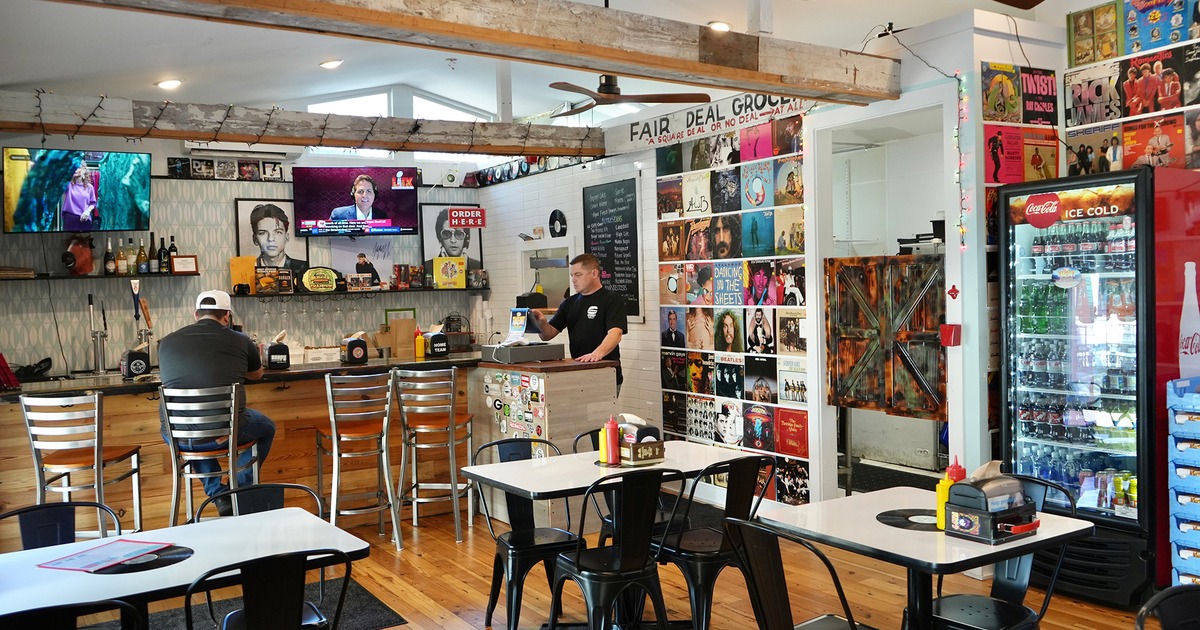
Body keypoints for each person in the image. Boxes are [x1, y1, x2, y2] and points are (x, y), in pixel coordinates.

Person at [158, 290, 276, 516]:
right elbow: (256, 374)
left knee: (194, 430)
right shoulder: (240, 340)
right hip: (226, 431)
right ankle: (237, 491)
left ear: (195, 314)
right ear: (227, 317)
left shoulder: (166, 342)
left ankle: (217, 493)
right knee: (266, 428)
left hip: (178, 435)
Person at [531, 254, 627, 389]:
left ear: (594, 273)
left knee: (601, 411)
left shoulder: (612, 300)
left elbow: (615, 334)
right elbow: (548, 334)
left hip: (605, 374)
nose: (574, 280)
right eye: (572, 276)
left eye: (578, 275)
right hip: (578, 373)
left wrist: (597, 354)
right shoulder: (569, 303)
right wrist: (541, 322)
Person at [250, 203, 308, 276]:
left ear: (286, 237)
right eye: (263, 233)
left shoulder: (301, 269)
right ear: (255, 239)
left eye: (278, 232)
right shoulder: (247, 270)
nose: (271, 239)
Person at [423, 206, 481, 271]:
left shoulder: (478, 266)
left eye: (459, 234)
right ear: (440, 237)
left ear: (466, 237)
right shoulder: (428, 268)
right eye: (446, 234)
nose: (453, 240)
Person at [60, 163, 97, 231]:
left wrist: (88, 211)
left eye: (78, 168)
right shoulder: (68, 185)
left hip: (85, 219)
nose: (75, 170)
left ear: (84, 170)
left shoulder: (89, 187)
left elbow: (93, 203)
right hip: (70, 219)